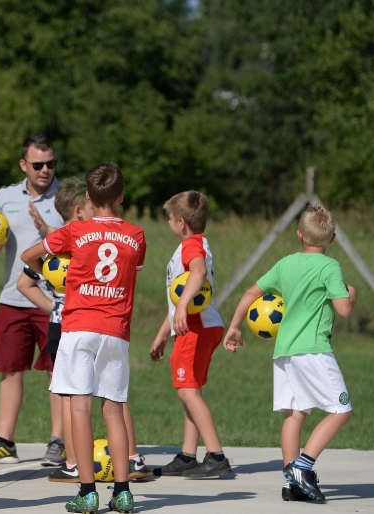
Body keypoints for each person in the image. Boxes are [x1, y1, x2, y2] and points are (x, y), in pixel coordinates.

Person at [21, 162, 145, 514]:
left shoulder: (75, 232)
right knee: (114, 410)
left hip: (78, 328)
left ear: (88, 197)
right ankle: (122, 492)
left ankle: (88, 491)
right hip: (116, 331)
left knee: (79, 406)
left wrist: (52, 273)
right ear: (120, 197)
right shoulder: (136, 235)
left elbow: (28, 255)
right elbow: (131, 270)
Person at [224, 204, 356, 503]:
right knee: (341, 410)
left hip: (284, 353)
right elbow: (344, 309)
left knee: (295, 414)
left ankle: (290, 482)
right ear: (332, 239)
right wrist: (352, 292)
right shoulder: (329, 266)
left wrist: (234, 327)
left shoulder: (285, 264)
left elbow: (249, 293)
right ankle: (303, 466)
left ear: (299, 235)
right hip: (313, 350)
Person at [0, 133, 66, 467]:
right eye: (38, 164)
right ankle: (5, 442)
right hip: (13, 297)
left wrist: (47, 229)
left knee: (58, 372)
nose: (45, 170)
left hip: (53, 300)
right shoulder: (6, 196)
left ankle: (58, 441)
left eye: (50, 163)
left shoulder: (67, 197)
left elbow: (77, 244)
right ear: (23, 164)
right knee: (10, 371)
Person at [149, 191, 231, 478]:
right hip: (199, 326)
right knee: (190, 391)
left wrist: (182, 306)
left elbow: (195, 274)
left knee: (187, 392)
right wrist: (162, 333)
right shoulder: (199, 243)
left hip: (197, 328)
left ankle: (216, 456)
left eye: (170, 219)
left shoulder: (191, 246)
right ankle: (187, 455)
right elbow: (178, 298)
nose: (169, 223)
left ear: (181, 222)